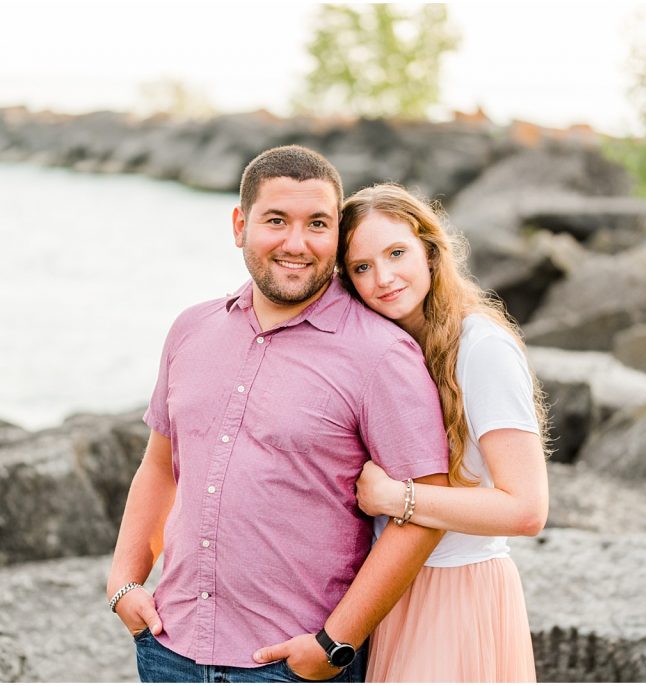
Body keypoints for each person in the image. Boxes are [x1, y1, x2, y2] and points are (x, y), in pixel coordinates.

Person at [106, 146, 450, 683]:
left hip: (292, 664)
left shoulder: (381, 354)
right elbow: (159, 466)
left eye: (317, 224)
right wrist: (125, 583)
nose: (296, 243)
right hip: (169, 648)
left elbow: (426, 506)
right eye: (276, 221)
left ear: (337, 235)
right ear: (241, 225)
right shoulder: (191, 330)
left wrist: (335, 643)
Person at [337, 182, 549, 682]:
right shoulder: (387, 349)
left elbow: (526, 509)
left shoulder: (481, 348)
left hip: (458, 593)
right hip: (394, 590)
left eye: (396, 253)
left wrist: (397, 498)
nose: (384, 278)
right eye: (362, 267)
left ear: (430, 252)